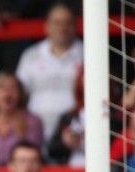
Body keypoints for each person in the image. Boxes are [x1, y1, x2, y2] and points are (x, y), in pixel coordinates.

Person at [15, 2, 83, 142]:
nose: (62, 27)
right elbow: (19, 95)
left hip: (76, 138)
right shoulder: (30, 55)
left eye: (67, 22)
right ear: (47, 26)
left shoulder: (88, 53)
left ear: (75, 25)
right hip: (36, 135)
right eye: (57, 22)